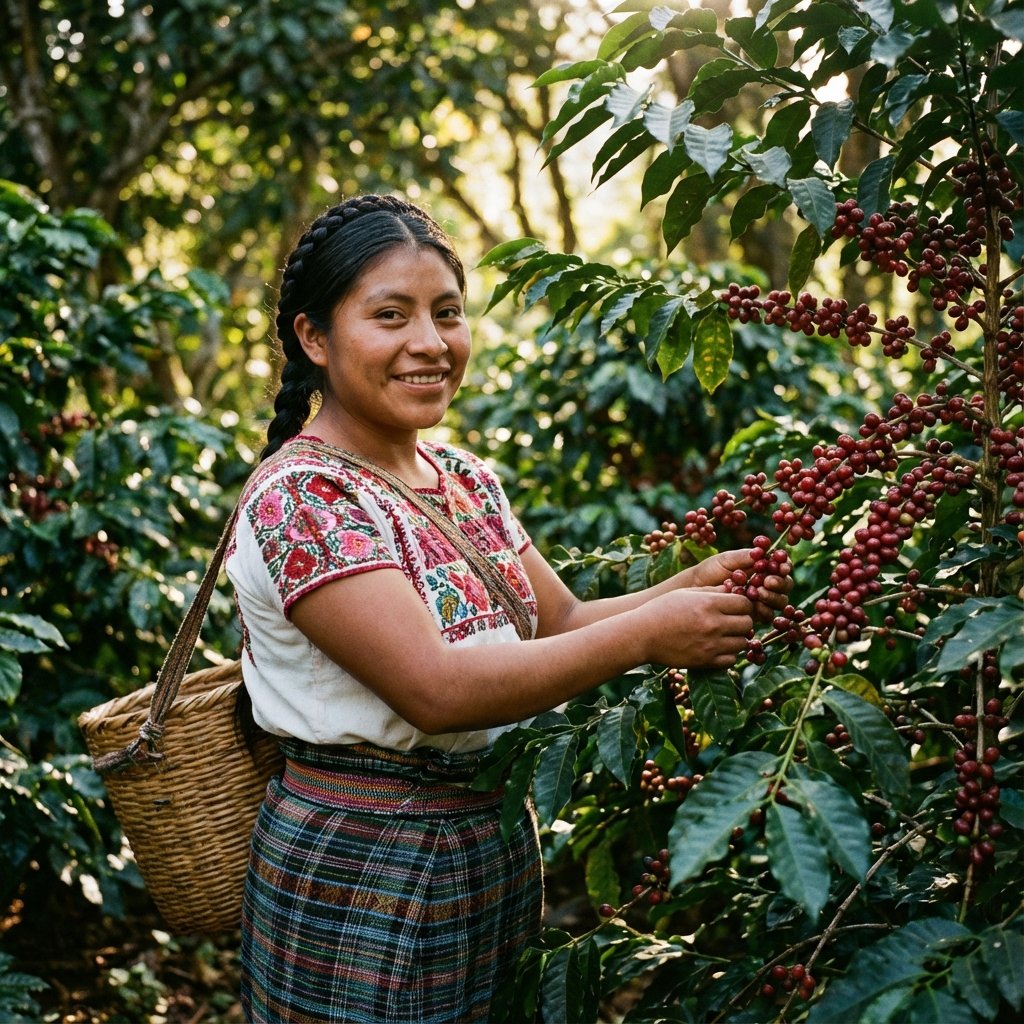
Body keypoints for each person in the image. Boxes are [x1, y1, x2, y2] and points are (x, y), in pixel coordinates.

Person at [225, 193, 788, 1024]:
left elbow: (557, 624)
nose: (429, 343)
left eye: (446, 313)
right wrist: (651, 635)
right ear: (314, 338)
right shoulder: (304, 498)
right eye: (390, 315)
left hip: (486, 842)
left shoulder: (460, 476)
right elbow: (437, 690)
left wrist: (689, 587)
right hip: (364, 864)